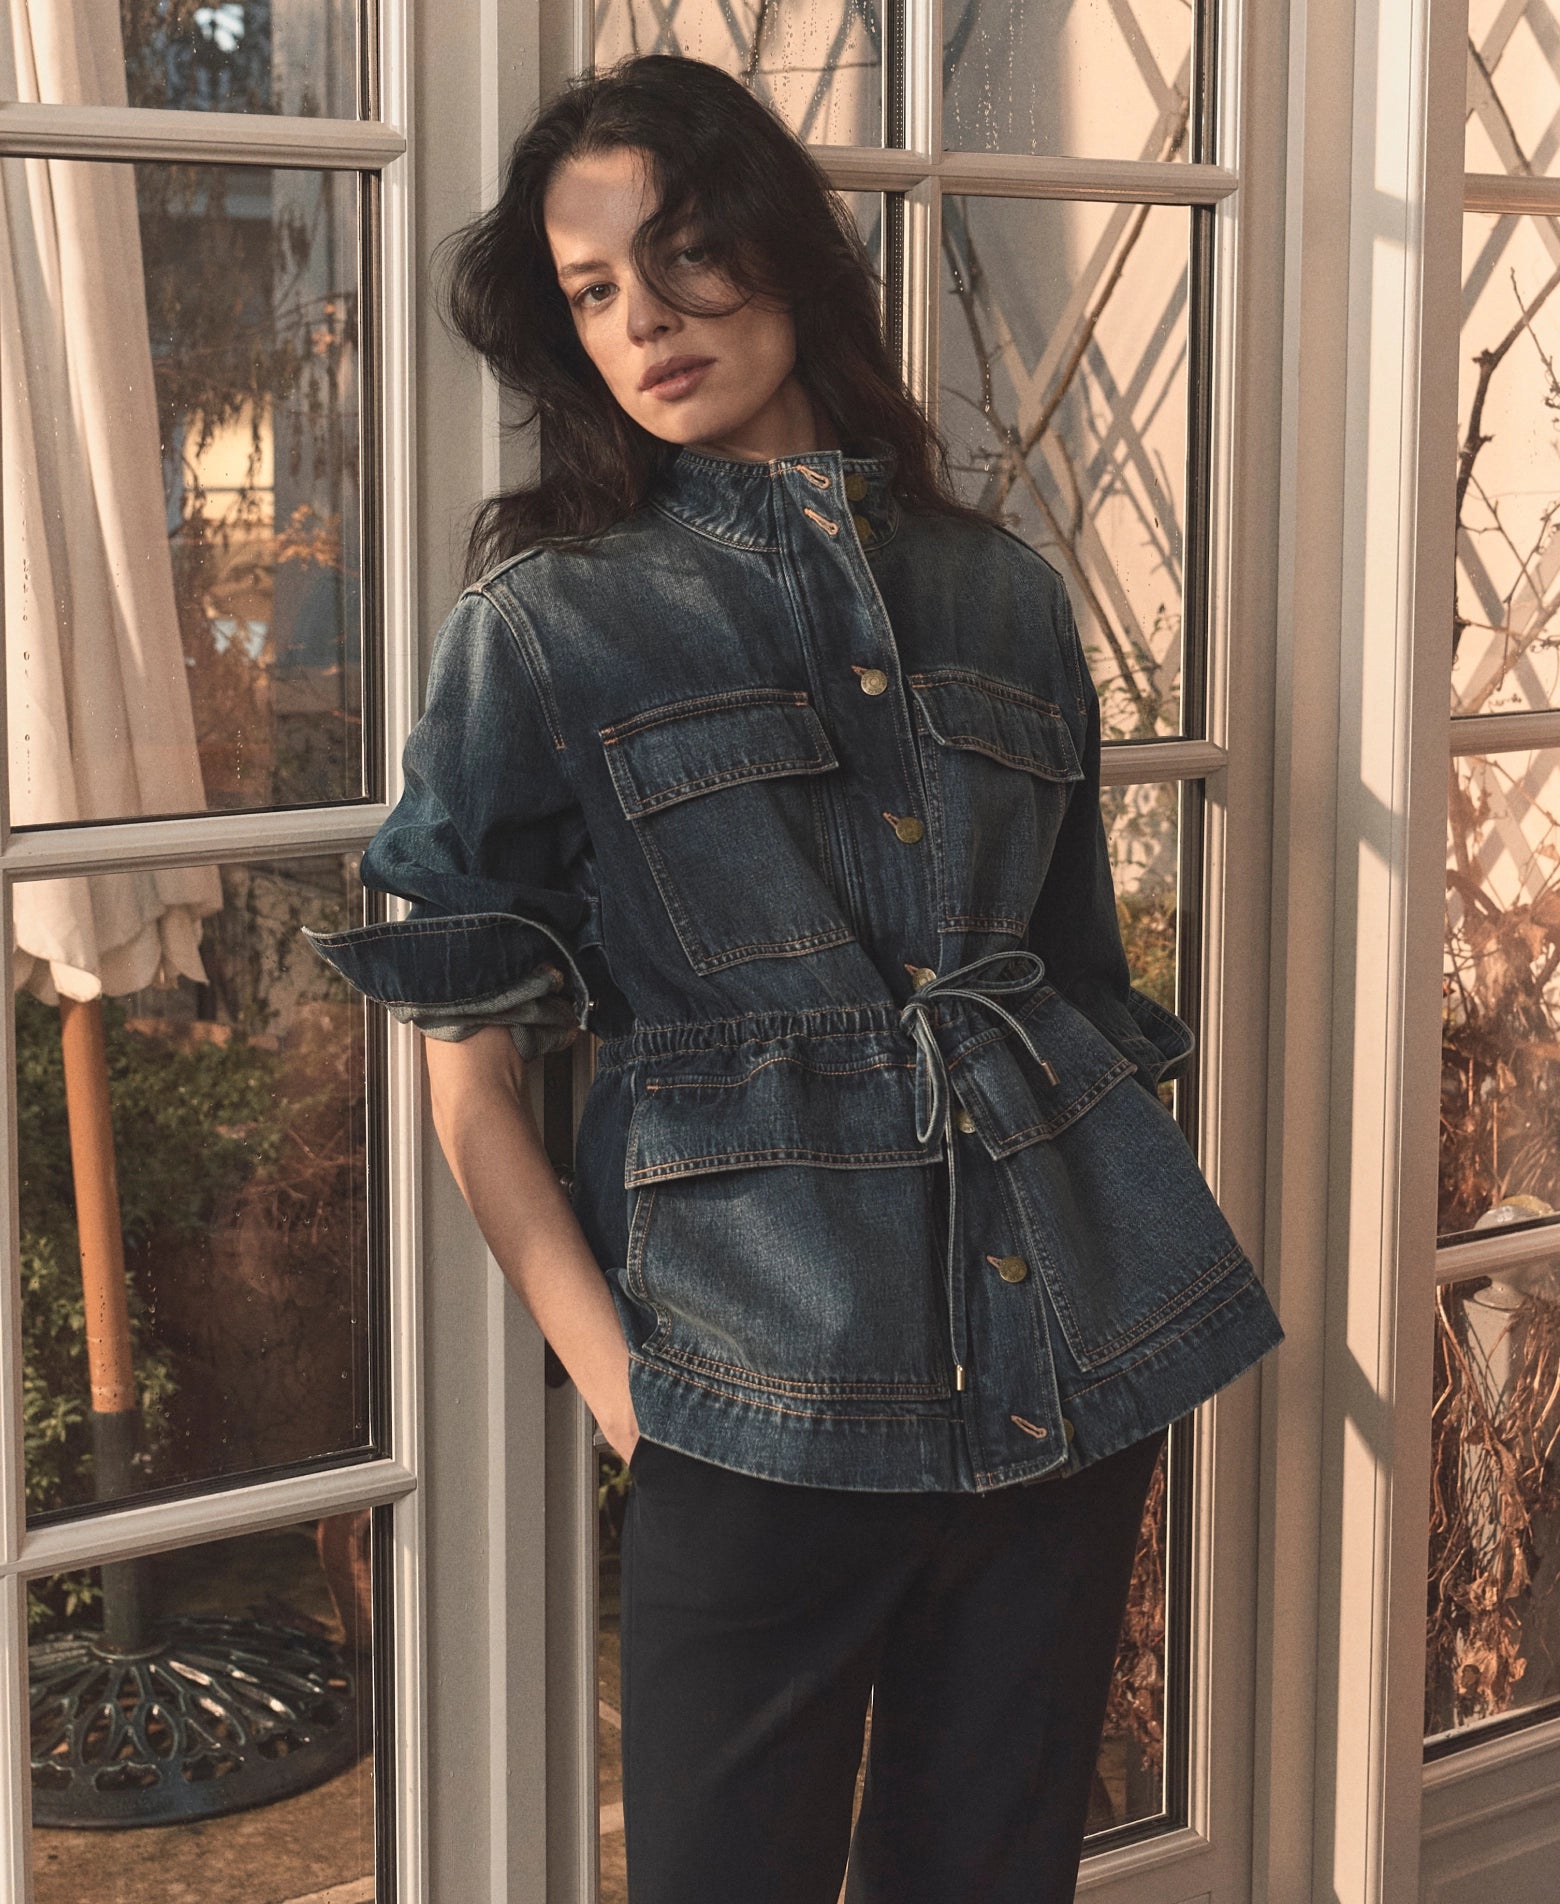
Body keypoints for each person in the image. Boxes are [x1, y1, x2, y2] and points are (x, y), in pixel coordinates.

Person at [304, 53, 1283, 1904]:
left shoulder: (1002, 595)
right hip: (752, 1394)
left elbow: (1074, 984)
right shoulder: (548, 621)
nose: (646, 322)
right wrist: (624, 1384)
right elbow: (466, 1071)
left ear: (786, 251)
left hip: (1052, 1380)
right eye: (593, 292)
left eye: (680, 257)